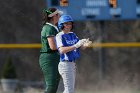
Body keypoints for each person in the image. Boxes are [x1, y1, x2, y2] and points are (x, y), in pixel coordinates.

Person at [55, 15, 92, 93]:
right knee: (69, 90)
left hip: (72, 64)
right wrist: (76, 45)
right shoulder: (59, 36)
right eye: (66, 23)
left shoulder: (73, 34)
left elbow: (80, 47)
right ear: (61, 25)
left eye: (70, 23)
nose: (69, 25)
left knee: (70, 90)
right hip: (65, 64)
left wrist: (85, 44)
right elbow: (61, 50)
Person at [39, 7, 63, 93]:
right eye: (58, 15)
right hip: (49, 58)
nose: (60, 16)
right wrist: (67, 47)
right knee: (51, 86)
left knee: (55, 86)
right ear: (54, 16)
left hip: (55, 57)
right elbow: (53, 46)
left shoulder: (54, 27)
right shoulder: (48, 28)